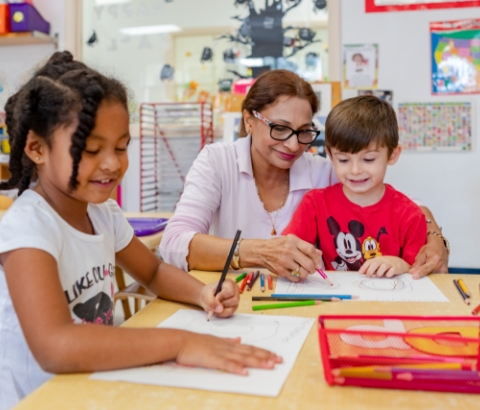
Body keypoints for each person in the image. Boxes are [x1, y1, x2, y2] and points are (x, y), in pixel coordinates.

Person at [0, 52, 281, 409]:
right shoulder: (29, 227)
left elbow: (152, 270)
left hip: (90, 385)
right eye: (90, 149)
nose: (112, 164)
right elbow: (56, 347)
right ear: (37, 148)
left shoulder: (102, 213)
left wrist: (202, 293)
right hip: (40, 398)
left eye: (121, 147)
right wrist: (180, 342)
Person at [160, 70, 448, 282]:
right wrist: (258, 252)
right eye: (280, 128)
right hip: (230, 298)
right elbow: (173, 243)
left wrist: (435, 238)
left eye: (304, 132)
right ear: (249, 120)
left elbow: (399, 201)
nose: (293, 144)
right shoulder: (218, 161)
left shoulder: (321, 171)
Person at [283, 96, 432, 277]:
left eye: (368, 159)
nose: (355, 170)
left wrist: (402, 265)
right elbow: (287, 251)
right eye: (343, 160)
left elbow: (421, 274)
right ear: (330, 155)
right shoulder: (314, 204)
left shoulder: (411, 216)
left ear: (393, 155)